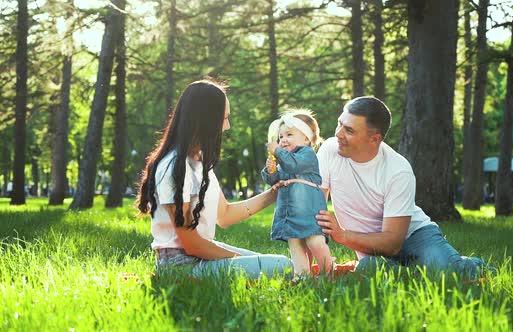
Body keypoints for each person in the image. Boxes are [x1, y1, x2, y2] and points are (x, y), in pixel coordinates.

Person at [315, 96, 487, 279]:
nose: (338, 134)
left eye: (349, 130)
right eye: (339, 124)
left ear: (374, 139)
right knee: (370, 270)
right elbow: (312, 208)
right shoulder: (329, 151)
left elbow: (392, 243)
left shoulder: (397, 170)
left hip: (414, 236)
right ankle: (409, 270)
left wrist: (343, 236)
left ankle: (470, 265)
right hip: (371, 248)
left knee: (445, 275)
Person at [136, 79, 293, 279]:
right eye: (224, 118)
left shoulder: (198, 163)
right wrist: (237, 260)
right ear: (205, 120)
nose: (227, 126)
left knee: (281, 264)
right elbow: (192, 245)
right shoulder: (174, 167)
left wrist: (274, 194)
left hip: (200, 255)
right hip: (180, 266)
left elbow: (225, 215)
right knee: (283, 266)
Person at [262, 110, 333, 277]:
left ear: (306, 139)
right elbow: (274, 179)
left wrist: (278, 152)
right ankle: (302, 276)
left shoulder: (307, 154)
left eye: (289, 134)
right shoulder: (284, 160)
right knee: (295, 245)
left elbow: (294, 166)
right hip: (289, 212)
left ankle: (328, 272)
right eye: (280, 137)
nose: (283, 140)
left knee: (315, 242)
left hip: (308, 211)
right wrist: (270, 169)